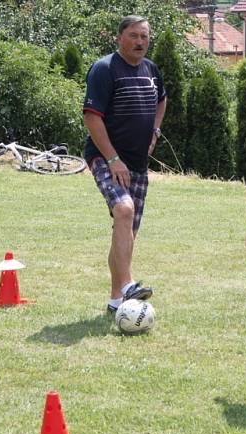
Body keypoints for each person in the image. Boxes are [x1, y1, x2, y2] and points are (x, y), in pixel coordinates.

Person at [83, 15, 166, 313]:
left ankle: (116, 299)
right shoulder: (104, 69)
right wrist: (113, 159)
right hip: (105, 158)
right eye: (134, 35)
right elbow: (92, 117)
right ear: (120, 38)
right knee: (124, 210)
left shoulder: (151, 69)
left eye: (144, 36)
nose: (140, 42)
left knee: (126, 230)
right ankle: (129, 284)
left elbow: (162, 100)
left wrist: (155, 130)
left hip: (138, 163)